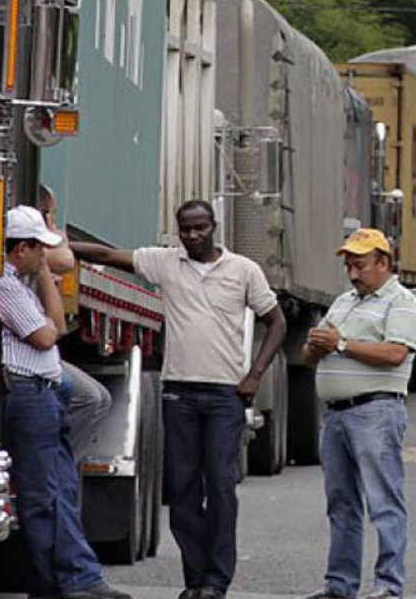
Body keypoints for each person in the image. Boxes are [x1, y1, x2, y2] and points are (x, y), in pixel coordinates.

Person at [70, 199, 287, 599]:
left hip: (225, 395)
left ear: (214, 226)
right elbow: (104, 255)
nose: (192, 236)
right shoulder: (166, 263)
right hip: (180, 393)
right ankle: (195, 579)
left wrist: (255, 374)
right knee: (184, 489)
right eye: (186, 229)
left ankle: (217, 581)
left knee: (221, 486)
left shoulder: (243, 271)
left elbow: (277, 322)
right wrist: (55, 242)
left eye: (200, 228)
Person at [0, 205, 129, 599]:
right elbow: (45, 336)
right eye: (39, 249)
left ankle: (74, 578)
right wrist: (42, 286)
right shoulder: (4, 285)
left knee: (58, 488)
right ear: (21, 248)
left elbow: (59, 325)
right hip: (28, 391)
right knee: (43, 494)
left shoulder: (22, 282)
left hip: (44, 392)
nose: (45, 256)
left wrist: (41, 277)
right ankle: (61, 582)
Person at [299, 228, 416, 599]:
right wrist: (316, 346)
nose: (353, 274)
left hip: (376, 411)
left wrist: (339, 342)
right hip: (337, 414)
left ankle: (388, 585)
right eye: (349, 266)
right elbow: (310, 354)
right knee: (341, 504)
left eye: (361, 265)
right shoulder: (343, 302)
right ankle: (340, 584)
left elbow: (395, 354)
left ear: (383, 263)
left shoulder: (401, 302)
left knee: (384, 501)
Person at [37, 184, 113, 462]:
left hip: (43, 355)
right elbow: (64, 257)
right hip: (27, 362)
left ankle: (62, 466)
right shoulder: (22, 253)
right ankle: (55, 467)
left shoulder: (36, 256)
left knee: (98, 397)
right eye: (51, 216)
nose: (55, 225)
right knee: (88, 397)